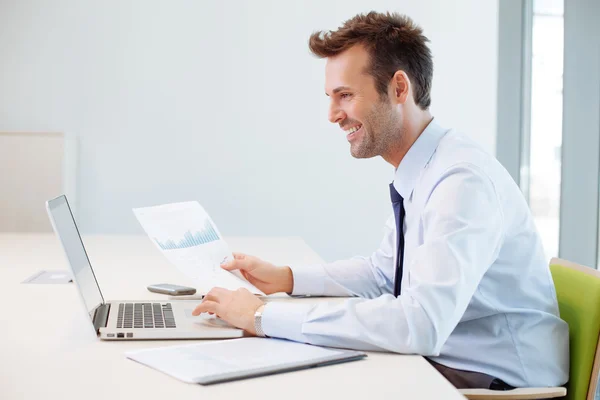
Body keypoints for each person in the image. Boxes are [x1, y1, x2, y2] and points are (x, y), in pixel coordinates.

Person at [192, 11, 569, 390]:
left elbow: (419, 324)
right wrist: (287, 278)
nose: (332, 115)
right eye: (330, 97)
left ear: (399, 88)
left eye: (346, 95)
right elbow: (384, 274)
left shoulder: (461, 181)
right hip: (453, 358)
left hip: (500, 379)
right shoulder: (422, 168)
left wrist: (261, 316)